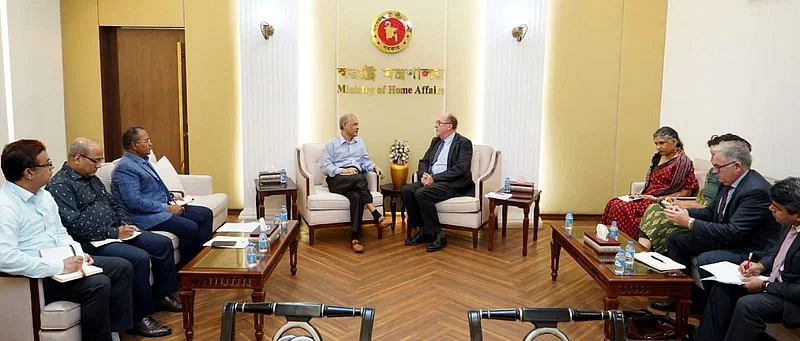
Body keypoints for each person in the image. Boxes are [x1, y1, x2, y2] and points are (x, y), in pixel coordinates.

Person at [0, 139, 133, 341]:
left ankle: (114, 332)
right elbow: (6, 258)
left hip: (61, 264)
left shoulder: (43, 196)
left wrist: (79, 255)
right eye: (47, 163)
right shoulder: (6, 207)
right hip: (35, 277)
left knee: (121, 267)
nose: (52, 167)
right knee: (98, 283)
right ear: (29, 173)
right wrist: (57, 266)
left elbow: (60, 233)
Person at [47, 138, 179, 337]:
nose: (99, 165)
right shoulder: (60, 185)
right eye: (95, 160)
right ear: (77, 158)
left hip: (116, 231)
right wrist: (114, 233)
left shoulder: (92, 178)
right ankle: (139, 318)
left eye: (100, 160)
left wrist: (125, 223)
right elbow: (73, 224)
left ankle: (160, 295)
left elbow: (114, 203)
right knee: (139, 258)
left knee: (161, 243)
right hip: (91, 241)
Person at [652, 140, 782, 311]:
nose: (714, 171)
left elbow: (734, 232)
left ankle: (709, 307)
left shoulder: (755, 191)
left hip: (748, 247)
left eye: (718, 167)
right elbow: (712, 213)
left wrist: (689, 222)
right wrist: (684, 212)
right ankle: (683, 298)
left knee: (707, 259)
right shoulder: (728, 182)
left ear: (737, 166)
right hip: (728, 239)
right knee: (676, 239)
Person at [693, 177, 800, 341]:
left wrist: (765, 285)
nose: (770, 208)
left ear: (797, 215)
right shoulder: (788, 223)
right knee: (722, 289)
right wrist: (760, 266)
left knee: (748, 306)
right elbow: (778, 251)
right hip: (775, 282)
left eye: (776, 208)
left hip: (792, 299)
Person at [111, 127, 213, 266]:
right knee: (189, 227)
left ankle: (202, 262)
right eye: (147, 141)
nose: (151, 144)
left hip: (160, 206)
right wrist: (166, 208)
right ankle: (188, 269)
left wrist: (171, 197)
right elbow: (134, 202)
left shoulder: (143, 160)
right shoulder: (125, 168)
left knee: (205, 214)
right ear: (135, 145)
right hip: (143, 216)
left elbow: (153, 188)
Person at [638, 134, 751, 253]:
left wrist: (686, 215)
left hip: (716, 227)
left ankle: (643, 252)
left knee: (659, 213)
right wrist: (681, 207)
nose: (713, 163)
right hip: (701, 208)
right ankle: (640, 252)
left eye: (715, 155)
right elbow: (704, 202)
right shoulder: (719, 174)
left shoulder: (731, 179)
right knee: (652, 208)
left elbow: (714, 211)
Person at [600, 127, 699, 238]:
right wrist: (640, 195)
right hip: (646, 196)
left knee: (621, 207)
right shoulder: (658, 158)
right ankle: (611, 240)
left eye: (662, 143)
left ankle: (630, 241)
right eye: (656, 144)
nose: (658, 147)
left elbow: (686, 192)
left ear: (674, 142)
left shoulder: (683, 163)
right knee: (614, 203)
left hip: (659, 200)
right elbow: (651, 183)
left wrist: (659, 198)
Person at [320, 114, 392, 253]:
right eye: (355, 124)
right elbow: (325, 167)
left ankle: (355, 238)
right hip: (337, 180)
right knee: (360, 178)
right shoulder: (332, 144)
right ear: (345, 126)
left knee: (357, 197)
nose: (358, 127)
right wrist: (343, 170)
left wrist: (374, 167)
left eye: (358, 124)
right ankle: (376, 215)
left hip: (354, 181)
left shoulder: (359, 142)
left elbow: (365, 161)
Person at [403, 112, 474, 252]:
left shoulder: (464, 143)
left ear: (449, 126)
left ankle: (438, 234)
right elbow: (424, 161)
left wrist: (434, 178)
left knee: (422, 194)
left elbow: (460, 169)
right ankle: (423, 230)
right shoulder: (435, 141)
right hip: (432, 180)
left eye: (439, 123)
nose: (436, 125)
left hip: (451, 183)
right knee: (407, 190)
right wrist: (424, 175)